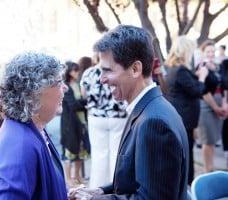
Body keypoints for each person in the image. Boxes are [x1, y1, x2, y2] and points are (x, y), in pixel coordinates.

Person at [69, 25, 189, 200]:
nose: (102, 79)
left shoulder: (153, 122)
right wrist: (101, 191)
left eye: (107, 70)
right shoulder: (149, 109)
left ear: (135, 69)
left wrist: (92, 199)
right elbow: (138, 177)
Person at [0, 52, 68, 199]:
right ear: (33, 93)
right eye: (58, 82)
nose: (65, 88)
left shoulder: (32, 128)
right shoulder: (20, 145)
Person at [164, 36, 208, 184]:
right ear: (185, 51)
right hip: (184, 120)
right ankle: (187, 187)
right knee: (186, 156)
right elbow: (196, 91)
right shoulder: (180, 70)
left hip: (181, 118)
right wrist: (202, 77)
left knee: (184, 154)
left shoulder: (173, 68)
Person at [80, 57, 127, 188]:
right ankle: (115, 189)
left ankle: (96, 191)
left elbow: (84, 94)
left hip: (96, 117)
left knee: (98, 156)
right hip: (118, 116)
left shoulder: (89, 72)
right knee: (116, 155)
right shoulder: (118, 70)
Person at [197, 40, 227, 173]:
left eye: (212, 51)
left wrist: (224, 103)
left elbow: (224, 86)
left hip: (219, 103)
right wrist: (216, 107)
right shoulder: (201, 67)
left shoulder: (218, 67)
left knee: (214, 139)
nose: (210, 53)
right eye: (207, 51)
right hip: (207, 105)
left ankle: (211, 167)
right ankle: (207, 169)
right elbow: (203, 91)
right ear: (203, 53)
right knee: (207, 141)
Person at [61, 61, 88, 186]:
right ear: (69, 72)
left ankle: (77, 176)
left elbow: (81, 101)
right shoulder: (65, 86)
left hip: (81, 122)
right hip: (70, 123)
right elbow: (73, 105)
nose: (77, 73)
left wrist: (82, 103)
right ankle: (68, 178)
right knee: (69, 151)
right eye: (75, 70)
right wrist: (85, 104)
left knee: (80, 150)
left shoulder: (77, 84)